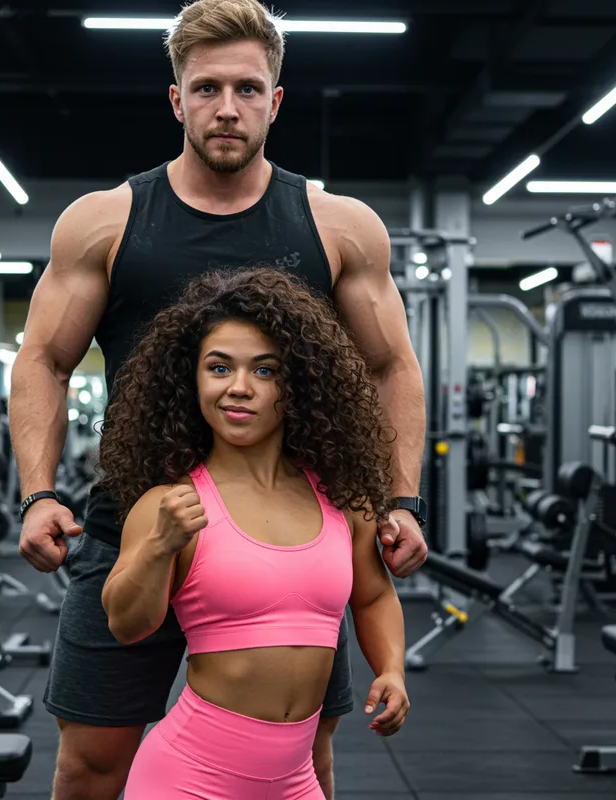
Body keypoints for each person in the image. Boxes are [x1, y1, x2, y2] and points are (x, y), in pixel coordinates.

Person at [9, 0, 427, 797]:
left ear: (276, 99)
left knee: (302, 755)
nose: (226, 108)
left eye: (246, 88)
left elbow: (393, 367)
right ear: (176, 100)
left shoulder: (338, 225)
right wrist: (37, 493)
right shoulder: (107, 221)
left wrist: (402, 498)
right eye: (205, 89)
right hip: (133, 523)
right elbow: (43, 360)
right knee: (93, 762)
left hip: (288, 525)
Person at [100, 266, 408, 799]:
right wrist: (158, 548)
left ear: (300, 384)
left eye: (265, 372)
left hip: (294, 783)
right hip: (188, 780)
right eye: (219, 368)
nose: (238, 388)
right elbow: (126, 624)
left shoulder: (341, 501)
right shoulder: (170, 504)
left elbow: (375, 593)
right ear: (191, 379)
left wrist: (394, 670)